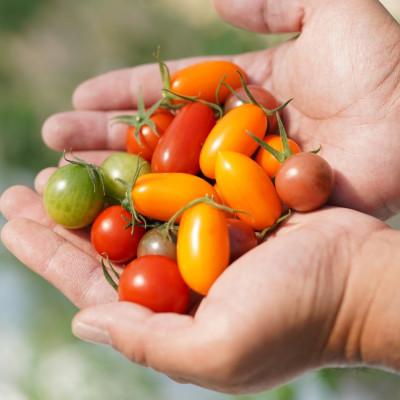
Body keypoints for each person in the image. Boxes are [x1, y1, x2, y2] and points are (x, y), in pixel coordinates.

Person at [1, 0, 400, 394]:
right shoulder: (199, 176)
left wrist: (353, 301)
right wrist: (352, 298)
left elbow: (208, 181)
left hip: (212, 196)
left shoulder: (223, 165)